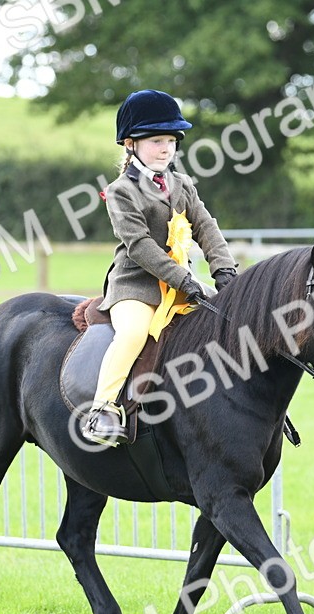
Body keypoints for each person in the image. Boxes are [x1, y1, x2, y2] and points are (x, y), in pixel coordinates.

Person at [83, 89, 239, 446]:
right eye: (156, 141)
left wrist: (224, 270)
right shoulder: (121, 191)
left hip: (180, 287)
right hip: (136, 287)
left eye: (171, 141)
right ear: (130, 144)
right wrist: (185, 280)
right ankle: (102, 409)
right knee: (133, 334)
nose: (166, 149)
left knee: (224, 323)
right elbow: (140, 246)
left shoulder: (181, 185)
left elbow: (206, 227)